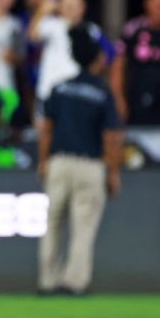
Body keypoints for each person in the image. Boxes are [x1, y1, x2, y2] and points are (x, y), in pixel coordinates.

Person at [36, 27, 123, 296]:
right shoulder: (102, 92)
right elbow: (111, 136)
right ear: (97, 59)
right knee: (83, 226)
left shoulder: (60, 88)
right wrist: (113, 171)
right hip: (90, 165)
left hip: (59, 162)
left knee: (53, 224)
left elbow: (46, 128)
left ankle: (48, 281)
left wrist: (43, 161)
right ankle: (74, 282)